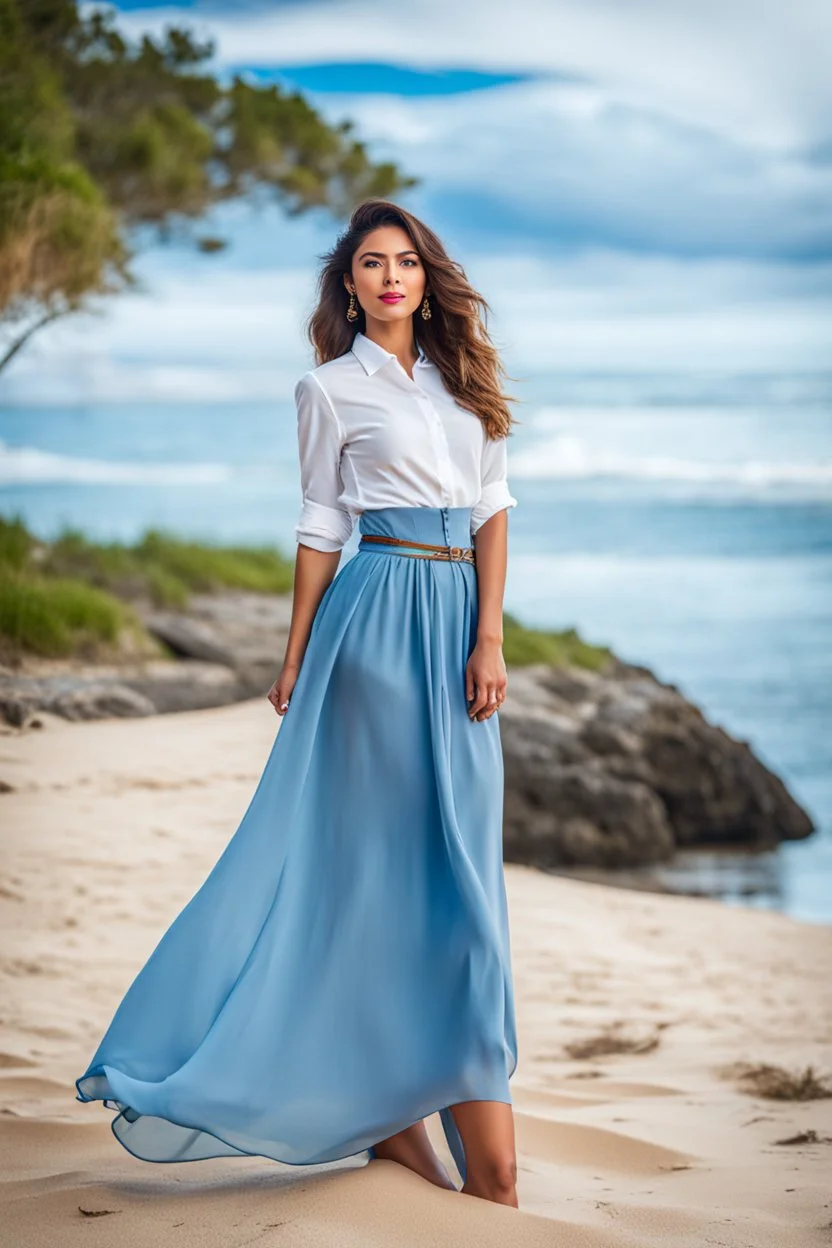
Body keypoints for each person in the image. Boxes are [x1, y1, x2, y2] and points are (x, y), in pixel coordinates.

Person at [75, 198, 521, 1209]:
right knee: (368, 874)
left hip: (458, 632)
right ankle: (397, 1119)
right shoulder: (326, 390)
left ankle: (424, 1110)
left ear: (426, 275)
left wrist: (489, 631)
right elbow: (322, 523)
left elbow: (493, 508)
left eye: (406, 261)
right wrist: (295, 655)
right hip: (370, 632)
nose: (392, 277)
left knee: (463, 882)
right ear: (349, 283)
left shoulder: (468, 384)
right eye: (372, 263)